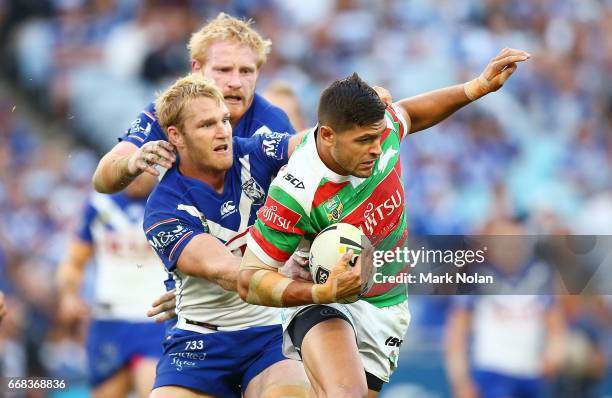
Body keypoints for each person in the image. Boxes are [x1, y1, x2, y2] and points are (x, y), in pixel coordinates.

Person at [238, 48, 530, 397]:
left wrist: (475, 88)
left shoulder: (379, 131)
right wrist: (320, 292)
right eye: (364, 141)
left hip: (386, 305)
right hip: (324, 302)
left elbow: (406, 113)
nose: (377, 149)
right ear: (328, 135)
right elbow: (249, 279)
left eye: (379, 137)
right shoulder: (296, 191)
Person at [143, 74, 309, 398]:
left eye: (224, 120)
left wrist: (360, 117)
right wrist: (277, 271)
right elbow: (227, 271)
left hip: (269, 334)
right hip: (198, 345)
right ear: (176, 136)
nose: (222, 131)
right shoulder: (163, 208)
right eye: (207, 125)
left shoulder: (253, 153)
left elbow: (313, 143)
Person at [92, 12, 295, 194]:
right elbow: (102, 180)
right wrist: (131, 163)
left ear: (258, 73)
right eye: (223, 70)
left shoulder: (273, 122)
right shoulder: (167, 113)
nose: (235, 82)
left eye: (246, 71)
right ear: (197, 69)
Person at [56, 173, 167, 398]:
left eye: (141, 167)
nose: (134, 174)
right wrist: (69, 295)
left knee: (154, 390)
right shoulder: (100, 205)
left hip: (155, 318)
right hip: (109, 320)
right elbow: (74, 261)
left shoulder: (170, 200)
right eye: (128, 166)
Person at [445, 218, 565, 398]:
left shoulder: (540, 276)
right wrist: (461, 381)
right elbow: (457, 333)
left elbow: (555, 324)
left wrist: (554, 354)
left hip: (531, 371)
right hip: (492, 371)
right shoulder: (476, 277)